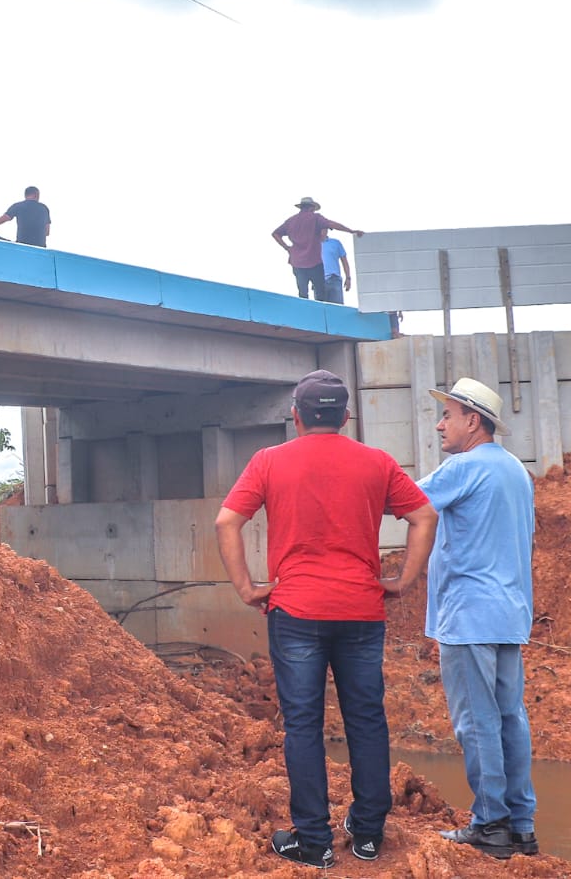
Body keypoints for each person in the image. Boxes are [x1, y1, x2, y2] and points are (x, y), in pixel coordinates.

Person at [215, 370, 439, 869]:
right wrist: (401, 580)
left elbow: (227, 520)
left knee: (303, 725)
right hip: (361, 610)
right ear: (345, 416)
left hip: (295, 611)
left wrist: (248, 588)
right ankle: (367, 834)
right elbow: (425, 516)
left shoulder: (269, 461)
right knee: (365, 719)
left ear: (295, 416)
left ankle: (313, 841)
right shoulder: (377, 462)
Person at [417, 378, 539, 860]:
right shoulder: (516, 471)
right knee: (511, 717)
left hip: (468, 615)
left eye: (448, 414)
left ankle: (490, 823)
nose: (440, 423)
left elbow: (402, 501)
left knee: (476, 721)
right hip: (509, 613)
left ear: (473, 421)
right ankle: (521, 827)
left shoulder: (462, 467)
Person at [272, 197, 362, 300]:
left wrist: (287, 248)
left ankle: (305, 311)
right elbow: (332, 224)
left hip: (297, 262)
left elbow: (275, 233)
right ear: (312, 208)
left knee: (303, 294)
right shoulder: (315, 218)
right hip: (313, 262)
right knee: (320, 293)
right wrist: (350, 231)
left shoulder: (291, 221)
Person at [321, 228, 352, 304]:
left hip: (334, 279)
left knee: (338, 308)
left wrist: (348, 278)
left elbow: (344, 261)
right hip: (319, 281)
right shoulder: (312, 245)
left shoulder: (335, 243)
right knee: (321, 310)